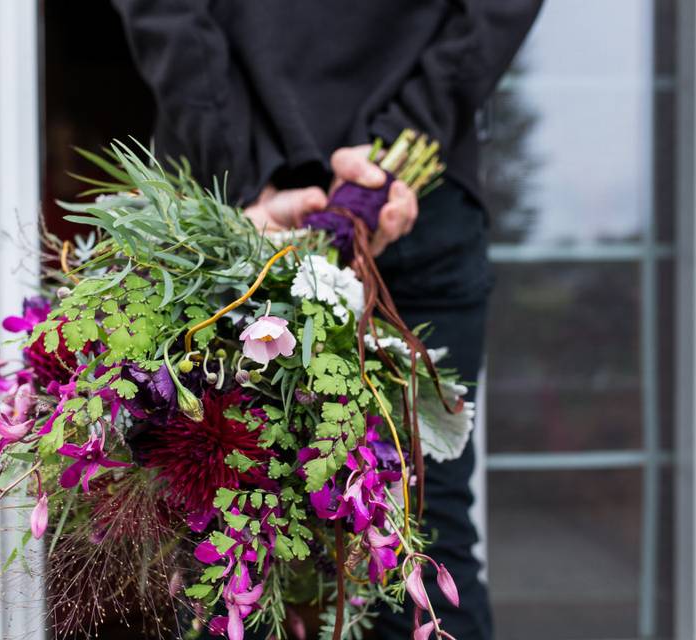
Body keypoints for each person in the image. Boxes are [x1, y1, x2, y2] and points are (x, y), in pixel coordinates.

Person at [112, 2, 543, 638]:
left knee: (235, 540)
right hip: (285, 202)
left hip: (364, 203)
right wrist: (391, 150)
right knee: (403, 531)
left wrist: (241, 172)